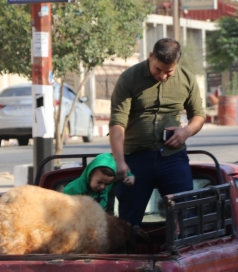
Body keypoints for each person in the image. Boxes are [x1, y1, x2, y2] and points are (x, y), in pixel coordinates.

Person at [109, 38, 206, 226]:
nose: (162, 76)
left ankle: (179, 254)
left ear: (177, 63)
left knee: (185, 215)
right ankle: (130, 255)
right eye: (158, 70)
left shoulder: (187, 79)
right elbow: (117, 123)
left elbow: (199, 115)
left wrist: (186, 132)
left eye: (169, 72)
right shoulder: (129, 78)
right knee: (128, 221)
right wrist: (120, 162)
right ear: (151, 56)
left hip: (172, 158)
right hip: (135, 159)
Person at [62, 153, 134, 211]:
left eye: (107, 184)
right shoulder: (72, 189)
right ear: (90, 175)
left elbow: (124, 173)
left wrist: (130, 176)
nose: (103, 187)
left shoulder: (109, 184)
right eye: (99, 182)